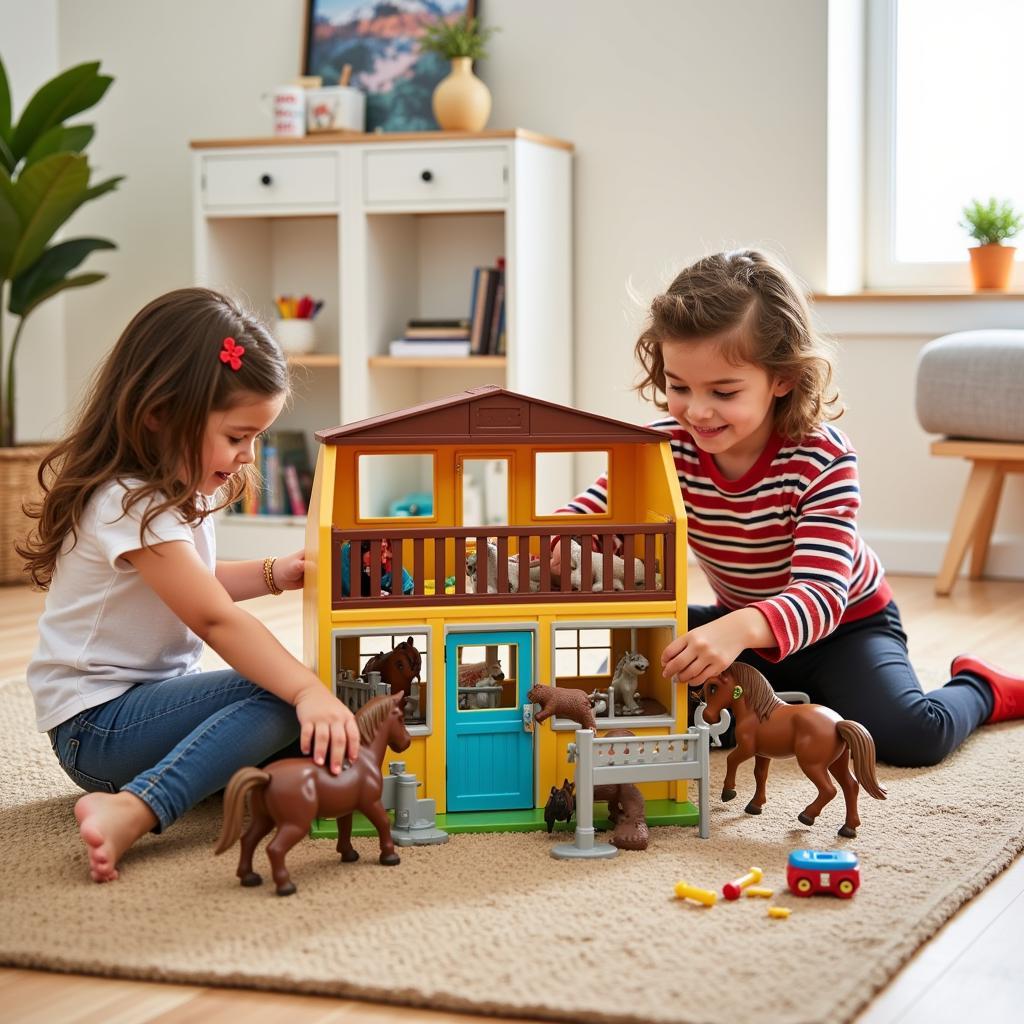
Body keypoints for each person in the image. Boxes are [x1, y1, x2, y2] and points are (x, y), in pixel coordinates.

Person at [553, 248, 1024, 767]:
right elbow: (592, 518)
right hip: (741, 629)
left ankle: (981, 685)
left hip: (847, 628)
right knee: (645, 698)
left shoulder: (822, 458)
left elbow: (822, 596)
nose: (697, 410)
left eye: (724, 391)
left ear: (783, 378)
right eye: (679, 386)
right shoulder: (663, 448)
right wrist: (545, 544)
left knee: (910, 736)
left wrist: (734, 631)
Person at [21, 287, 360, 884]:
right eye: (236, 437)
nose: (246, 455)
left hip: (136, 711)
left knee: (300, 716)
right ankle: (135, 807)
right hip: (95, 730)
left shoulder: (168, 494)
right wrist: (306, 690)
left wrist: (271, 574)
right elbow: (212, 618)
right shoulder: (128, 501)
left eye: (256, 438)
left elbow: (196, 587)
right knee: (285, 695)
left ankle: (208, 770)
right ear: (160, 413)